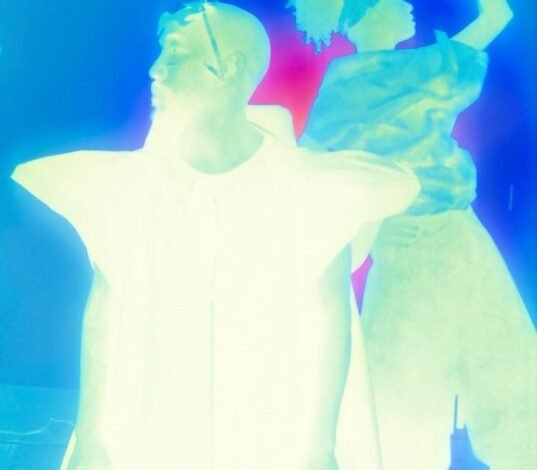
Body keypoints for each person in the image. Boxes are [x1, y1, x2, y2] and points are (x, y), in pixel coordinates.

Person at [10, 2, 437, 469]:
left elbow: (327, 324)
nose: (156, 70)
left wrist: (319, 449)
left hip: (265, 438)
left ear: (228, 68)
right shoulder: (131, 192)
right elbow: (105, 320)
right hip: (158, 438)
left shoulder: (311, 193)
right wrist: (93, 438)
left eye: (175, 54)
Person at [290, 0, 537, 469]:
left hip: (437, 238)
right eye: (390, 0)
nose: (406, 5)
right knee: (432, 388)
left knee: (447, 384)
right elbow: (496, 18)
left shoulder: (361, 79)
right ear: (361, 16)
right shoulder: (420, 68)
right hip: (423, 241)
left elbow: (305, 159)